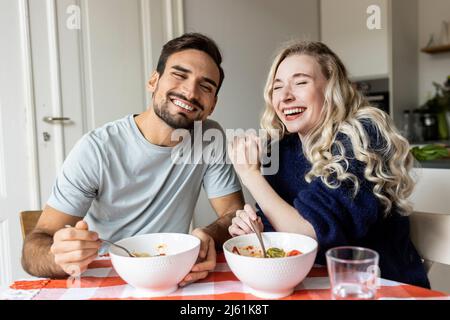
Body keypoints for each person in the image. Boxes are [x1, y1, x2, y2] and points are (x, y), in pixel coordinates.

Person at [22, 33, 244, 287]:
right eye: (179, 75)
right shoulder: (96, 149)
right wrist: (58, 256)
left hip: (173, 273)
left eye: (205, 87)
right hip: (107, 274)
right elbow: (34, 248)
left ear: (212, 105)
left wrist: (208, 235)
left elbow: (233, 213)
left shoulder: (208, 137)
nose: (190, 91)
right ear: (153, 81)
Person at [227, 41, 429, 288]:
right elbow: (282, 230)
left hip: (379, 287)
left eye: (300, 82)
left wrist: (250, 175)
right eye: (277, 87)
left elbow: (310, 234)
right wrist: (254, 227)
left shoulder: (362, 137)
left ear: (332, 88)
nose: (285, 96)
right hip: (315, 285)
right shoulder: (281, 149)